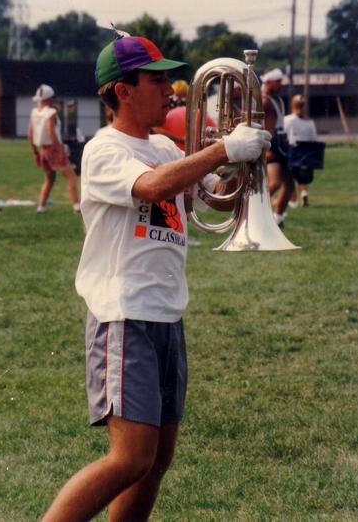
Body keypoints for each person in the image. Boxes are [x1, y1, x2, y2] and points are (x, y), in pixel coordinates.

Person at [41, 34, 270, 522]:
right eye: (157, 78)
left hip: (167, 309)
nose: (171, 87)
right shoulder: (104, 149)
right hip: (124, 312)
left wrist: (241, 153)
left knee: (156, 460)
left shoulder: (167, 146)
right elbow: (152, 186)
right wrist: (222, 149)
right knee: (131, 457)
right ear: (122, 91)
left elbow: (210, 197)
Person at [28, 84, 80, 213]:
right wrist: (60, 149)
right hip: (53, 148)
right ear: (49, 98)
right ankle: (76, 206)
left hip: (42, 149)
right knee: (71, 176)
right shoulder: (51, 112)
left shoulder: (34, 112)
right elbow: (51, 131)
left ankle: (41, 206)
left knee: (49, 179)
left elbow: (30, 133)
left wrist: (35, 152)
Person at [261, 68, 295, 226]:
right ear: (269, 82)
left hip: (282, 143)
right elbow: (261, 126)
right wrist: (266, 148)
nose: (281, 85)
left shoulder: (276, 100)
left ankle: (278, 217)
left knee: (288, 185)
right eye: (278, 82)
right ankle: (252, 209)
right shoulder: (264, 101)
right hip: (272, 145)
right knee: (275, 183)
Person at [284, 94, 319, 207]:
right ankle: (304, 193)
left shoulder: (288, 119)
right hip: (306, 150)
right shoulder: (309, 122)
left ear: (292, 105)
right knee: (302, 176)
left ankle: (293, 200)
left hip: (292, 149)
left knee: (290, 176)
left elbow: (284, 134)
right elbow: (314, 138)